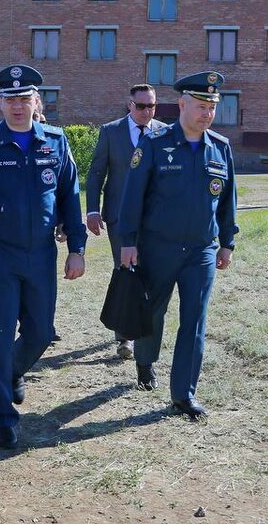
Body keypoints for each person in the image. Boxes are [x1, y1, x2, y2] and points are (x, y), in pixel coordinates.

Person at [0, 64, 87, 449]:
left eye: (24, 99)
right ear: (0, 103)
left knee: (41, 332)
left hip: (40, 254)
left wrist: (77, 247)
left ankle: (10, 372)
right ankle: (3, 415)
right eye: (10, 99)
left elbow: (70, 199)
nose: (18, 106)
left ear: (36, 101)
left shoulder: (55, 143)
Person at [117, 72, 238, 420]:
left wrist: (227, 242)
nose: (207, 114)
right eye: (201, 106)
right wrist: (128, 242)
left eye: (212, 108)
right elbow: (133, 197)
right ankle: (144, 361)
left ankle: (183, 394)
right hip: (158, 247)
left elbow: (228, 200)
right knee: (153, 311)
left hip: (201, 250)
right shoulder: (155, 144)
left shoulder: (221, 147)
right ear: (182, 104)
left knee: (194, 321)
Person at [84, 83, 165, 360]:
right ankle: (125, 337)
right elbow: (96, 174)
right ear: (130, 105)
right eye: (141, 106)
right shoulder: (111, 132)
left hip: (154, 218)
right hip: (119, 217)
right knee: (125, 270)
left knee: (151, 273)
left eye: (151, 106)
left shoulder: (165, 132)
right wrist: (92, 210)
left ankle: (146, 330)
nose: (146, 111)